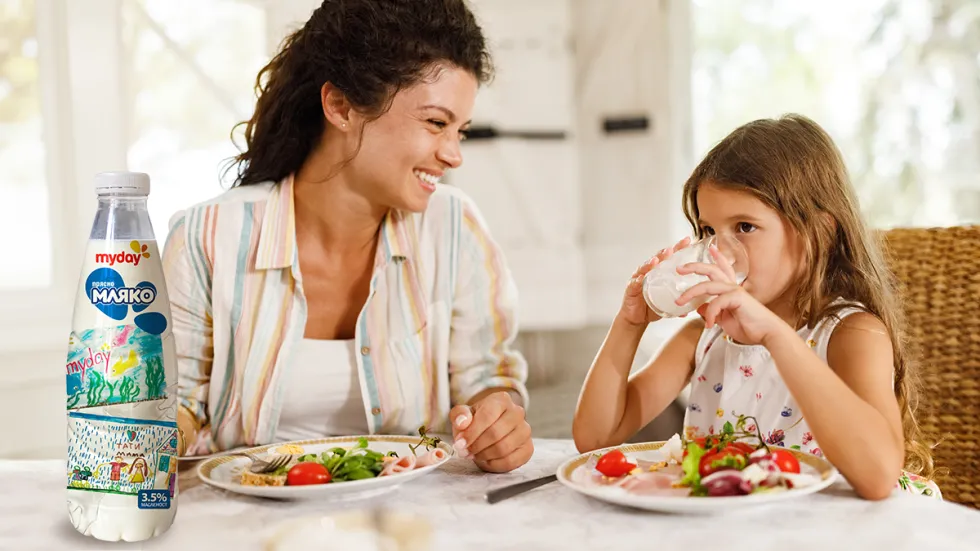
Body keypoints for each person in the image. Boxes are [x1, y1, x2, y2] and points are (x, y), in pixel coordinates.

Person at [165, 0, 533, 473]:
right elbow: (179, 402)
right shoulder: (207, 237)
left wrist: (496, 420)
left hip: (412, 525)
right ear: (341, 106)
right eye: (436, 123)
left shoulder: (455, 228)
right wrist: (150, 435)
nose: (453, 154)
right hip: (256, 524)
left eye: (460, 131)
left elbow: (486, 377)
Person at [572, 114, 941, 499]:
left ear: (820, 232)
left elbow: (879, 476)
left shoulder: (851, 334)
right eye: (709, 231)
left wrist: (774, 335)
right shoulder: (706, 335)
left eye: (745, 227)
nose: (720, 249)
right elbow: (595, 436)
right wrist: (630, 323)